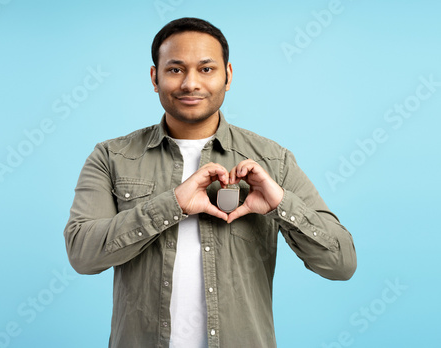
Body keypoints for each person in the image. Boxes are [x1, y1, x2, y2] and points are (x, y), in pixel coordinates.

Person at [64, 17, 357, 348]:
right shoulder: (111, 157)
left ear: (228, 75)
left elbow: (341, 264)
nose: (190, 83)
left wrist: (281, 204)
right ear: (154, 77)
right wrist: (171, 204)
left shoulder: (274, 161)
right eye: (175, 69)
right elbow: (82, 255)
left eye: (206, 69)